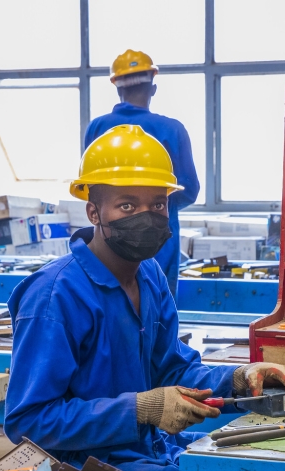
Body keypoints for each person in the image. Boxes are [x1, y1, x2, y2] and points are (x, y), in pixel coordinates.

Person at [4, 125, 285, 471]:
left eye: (157, 204)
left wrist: (237, 378)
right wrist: (140, 409)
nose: (146, 216)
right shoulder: (54, 297)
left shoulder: (149, 276)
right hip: (88, 469)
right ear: (93, 212)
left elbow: (172, 368)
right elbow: (28, 421)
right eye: (127, 205)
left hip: (150, 448)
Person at [84, 50, 199, 296]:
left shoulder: (97, 128)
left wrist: (125, 208)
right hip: (161, 242)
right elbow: (189, 190)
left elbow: (91, 189)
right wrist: (157, 205)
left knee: (105, 303)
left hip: (110, 236)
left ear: (116, 87)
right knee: (160, 307)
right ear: (153, 88)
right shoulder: (172, 129)